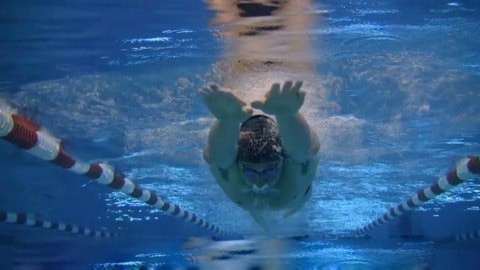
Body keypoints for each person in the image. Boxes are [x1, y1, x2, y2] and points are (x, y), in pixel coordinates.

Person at [200, 80, 320, 230]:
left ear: (282, 161)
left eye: (270, 171)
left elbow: (307, 149)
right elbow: (216, 156)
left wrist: (288, 115)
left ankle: (284, 114)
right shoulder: (230, 165)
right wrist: (226, 120)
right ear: (239, 164)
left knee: (301, 155)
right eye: (250, 172)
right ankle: (230, 118)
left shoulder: (293, 165)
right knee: (221, 160)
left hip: (301, 196)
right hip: (263, 203)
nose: (260, 183)